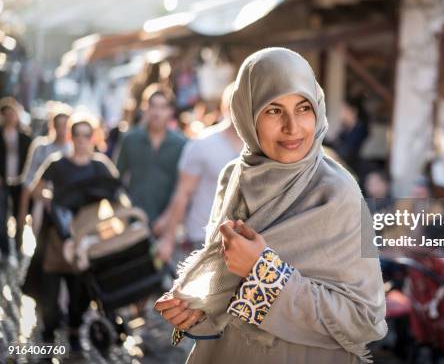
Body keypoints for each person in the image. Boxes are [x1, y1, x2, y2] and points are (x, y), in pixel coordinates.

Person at [154, 48, 387, 363]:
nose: (293, 127)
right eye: (274, 110)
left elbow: (363, 320)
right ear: (247, 114)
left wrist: (263, 272)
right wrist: (198, 308)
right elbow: (227, 285)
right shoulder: (234, 176)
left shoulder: (337, 193)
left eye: (303, 107)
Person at [29, 115, 118, 350]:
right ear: (71, 136)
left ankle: (75, 336)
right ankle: (47, 339)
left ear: (93, 137)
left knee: (80, 293)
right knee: (49, 295)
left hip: (86, 242)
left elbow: (116, 197)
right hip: (57, 240)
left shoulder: (100, 166)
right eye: (77, 134)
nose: (81, 140)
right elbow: (35, 189)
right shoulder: (57, 164)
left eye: (86, 135)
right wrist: (52, 200)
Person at [153, 83, 242, 262]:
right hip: (204, 239)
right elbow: (183, 193)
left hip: (243, 240)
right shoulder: (202, 144)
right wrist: (168, 239)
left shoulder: (259, 147)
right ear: (226, 107)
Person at [114, 83, 186, 225]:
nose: (157, 112)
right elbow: (116, 179)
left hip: (169, 223)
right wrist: (124, 210)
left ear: (171, 111)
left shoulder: (182, 144)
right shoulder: (130, 139)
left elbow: (183, 187)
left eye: (163, 107)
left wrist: (167, 219)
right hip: (134, 220)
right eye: (152, 106)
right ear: (144, 108)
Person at [19, 103, 72, 237]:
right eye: (59, 125)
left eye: (65, 125)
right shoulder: (41, 148)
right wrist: (22, 213)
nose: (62, 130)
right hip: (41, 203)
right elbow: (29, 180)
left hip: (66, 205)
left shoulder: (72, 151)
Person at [0, 97, 32, 259]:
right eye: (7, 114)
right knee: (2, 215)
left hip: (20, 181)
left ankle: (18, 246)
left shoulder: (25, 137)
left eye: (13, 114)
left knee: (20, 215)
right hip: (2, 182)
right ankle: (5, 250)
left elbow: (29, 160)